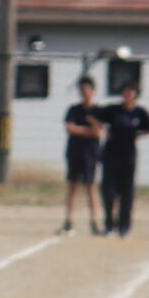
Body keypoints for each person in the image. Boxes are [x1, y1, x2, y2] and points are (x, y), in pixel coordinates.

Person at [94, 81, 149, 238]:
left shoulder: (139, 112)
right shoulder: (113, 110)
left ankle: (124, 226)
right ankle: (109, 224)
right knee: (108, 192)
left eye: (131, 92)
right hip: (110, 156)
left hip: (128, 157)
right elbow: (93, 116)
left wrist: (138, 136)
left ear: (135, 95)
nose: (128, 95)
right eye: (126, 91)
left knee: (127, 194)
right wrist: (102, 130)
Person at [60, 75, 103, 236]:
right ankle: (68, 220)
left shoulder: (98, 111)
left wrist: (85, 129)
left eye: (87, 89)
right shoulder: (74, 110)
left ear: (93, 91)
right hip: (74, 152)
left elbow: (98, 132)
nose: (84, 92)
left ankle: (95, 221)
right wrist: (87, 131)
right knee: (72, 187)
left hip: (90, 154)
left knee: (91, 187)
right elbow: (70, 128)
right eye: (81, 89)